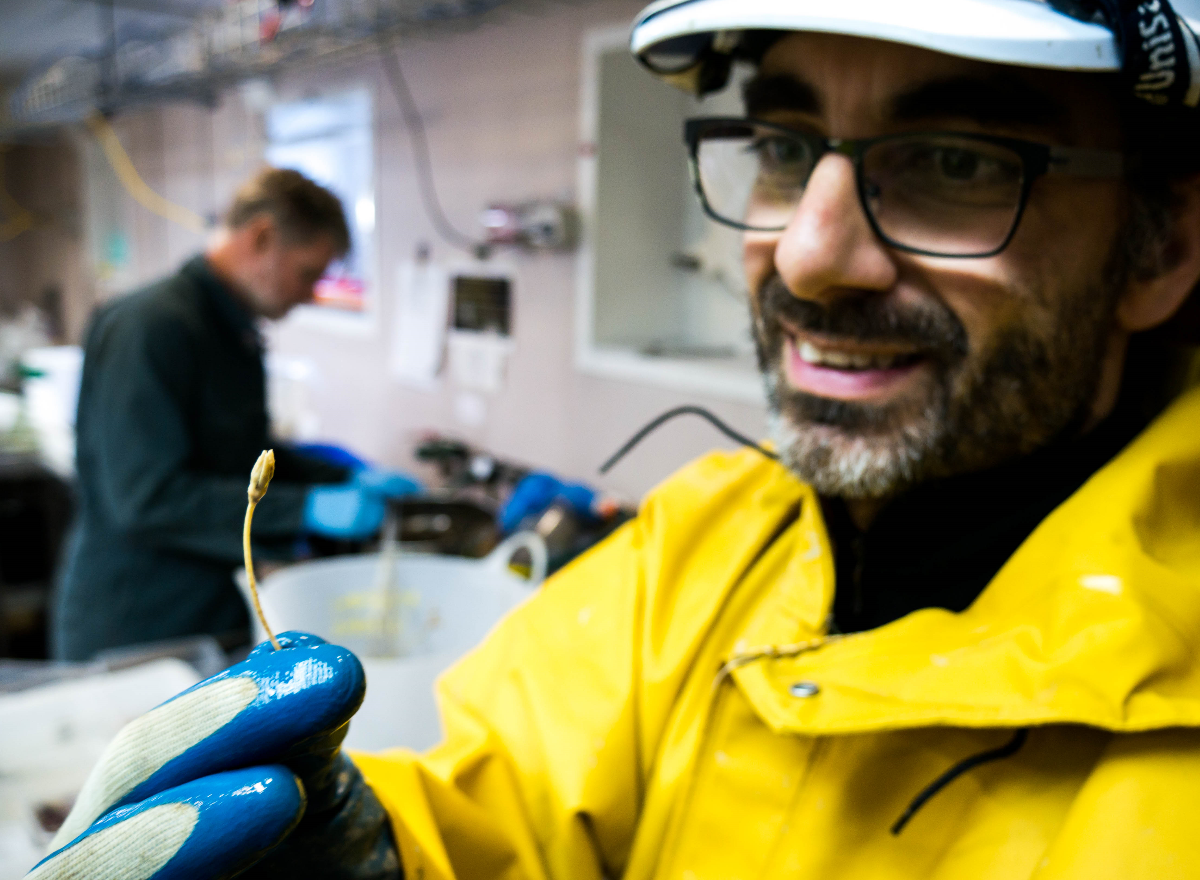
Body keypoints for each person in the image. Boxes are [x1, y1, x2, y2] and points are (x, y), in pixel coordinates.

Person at [30, 0, 1200, 877]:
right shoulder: (704, 546)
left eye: (956, 163)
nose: (804, 255)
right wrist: (374, 854)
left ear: (1158, 244)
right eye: (786, 150)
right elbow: (495, 814)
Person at [54, 168, 417, 662]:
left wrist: (346, 475)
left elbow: (239, 459)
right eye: (308, 274)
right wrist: (308, 507)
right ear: (262, 237)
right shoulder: (152, 327)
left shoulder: (232, 333)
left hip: (210, 612)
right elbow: (147, 496)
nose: (311, 295)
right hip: (140, 627)